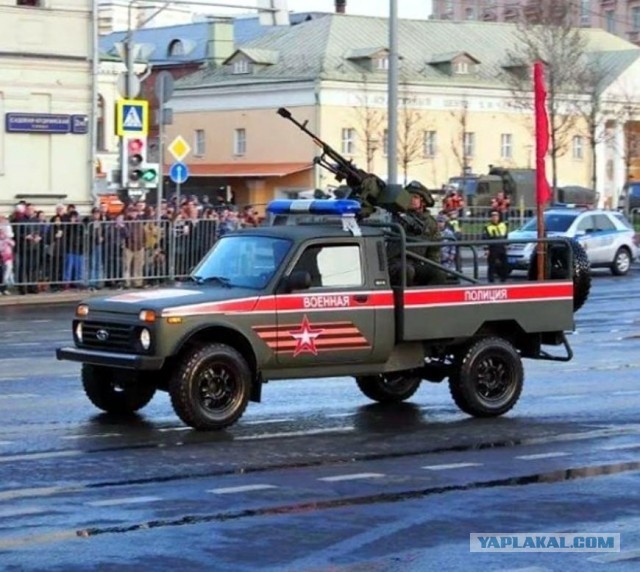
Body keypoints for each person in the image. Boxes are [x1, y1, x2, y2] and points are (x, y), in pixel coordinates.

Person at [404, 181, 445, 286]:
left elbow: (434, 252)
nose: (411, 199)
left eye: (415, 197)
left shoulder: (430, 223)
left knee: (438, 273)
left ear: (423, 201)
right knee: (406, 271)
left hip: (417, 263)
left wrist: (432, 266)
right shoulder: (398, 217)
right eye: (408, 196)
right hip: (397, 262)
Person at [483, 210, 509, 283]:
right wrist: (486, 249)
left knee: (504, 264)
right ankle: (491, 280)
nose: (494, 217)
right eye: (493, 216)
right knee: (492, 265)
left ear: (499, 217)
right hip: (493, 247)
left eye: (496, 215)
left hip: (502, 246)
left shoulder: (503, 225)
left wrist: (506, 245)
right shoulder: (487, 226)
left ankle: (503, 279)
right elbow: (485, 238)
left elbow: (506, 236)